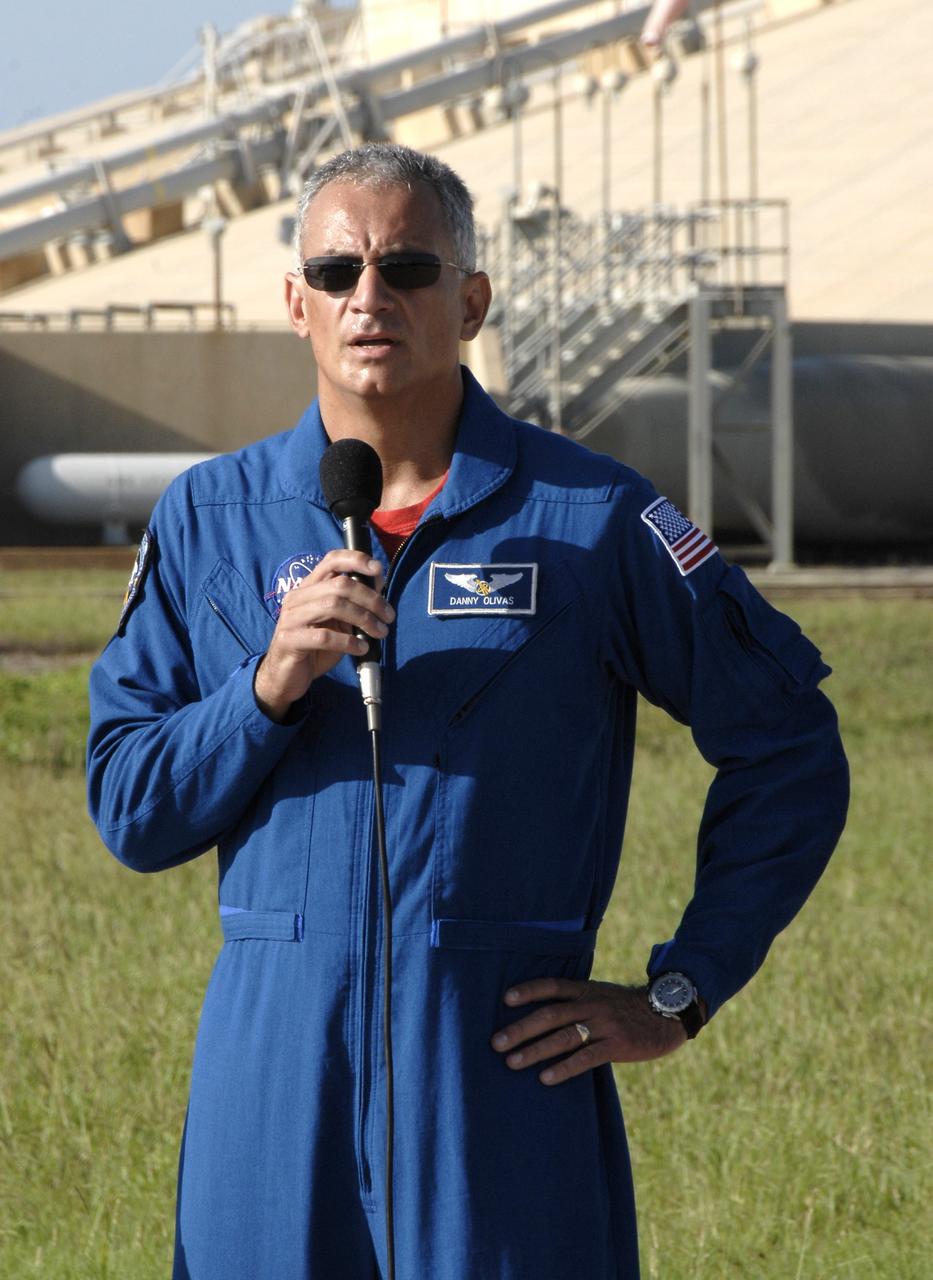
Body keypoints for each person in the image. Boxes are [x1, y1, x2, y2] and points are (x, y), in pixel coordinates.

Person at [87, 142, 848, 1279]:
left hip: (498, 1077)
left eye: (407, 267)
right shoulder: (209, 516)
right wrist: (266, 687)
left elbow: (789, 743)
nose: (370, 298)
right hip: (274, 1073)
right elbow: (131, 806)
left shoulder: (591, 516)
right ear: (296, 303)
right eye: (338, 274)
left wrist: (682, 989)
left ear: (474, 299)